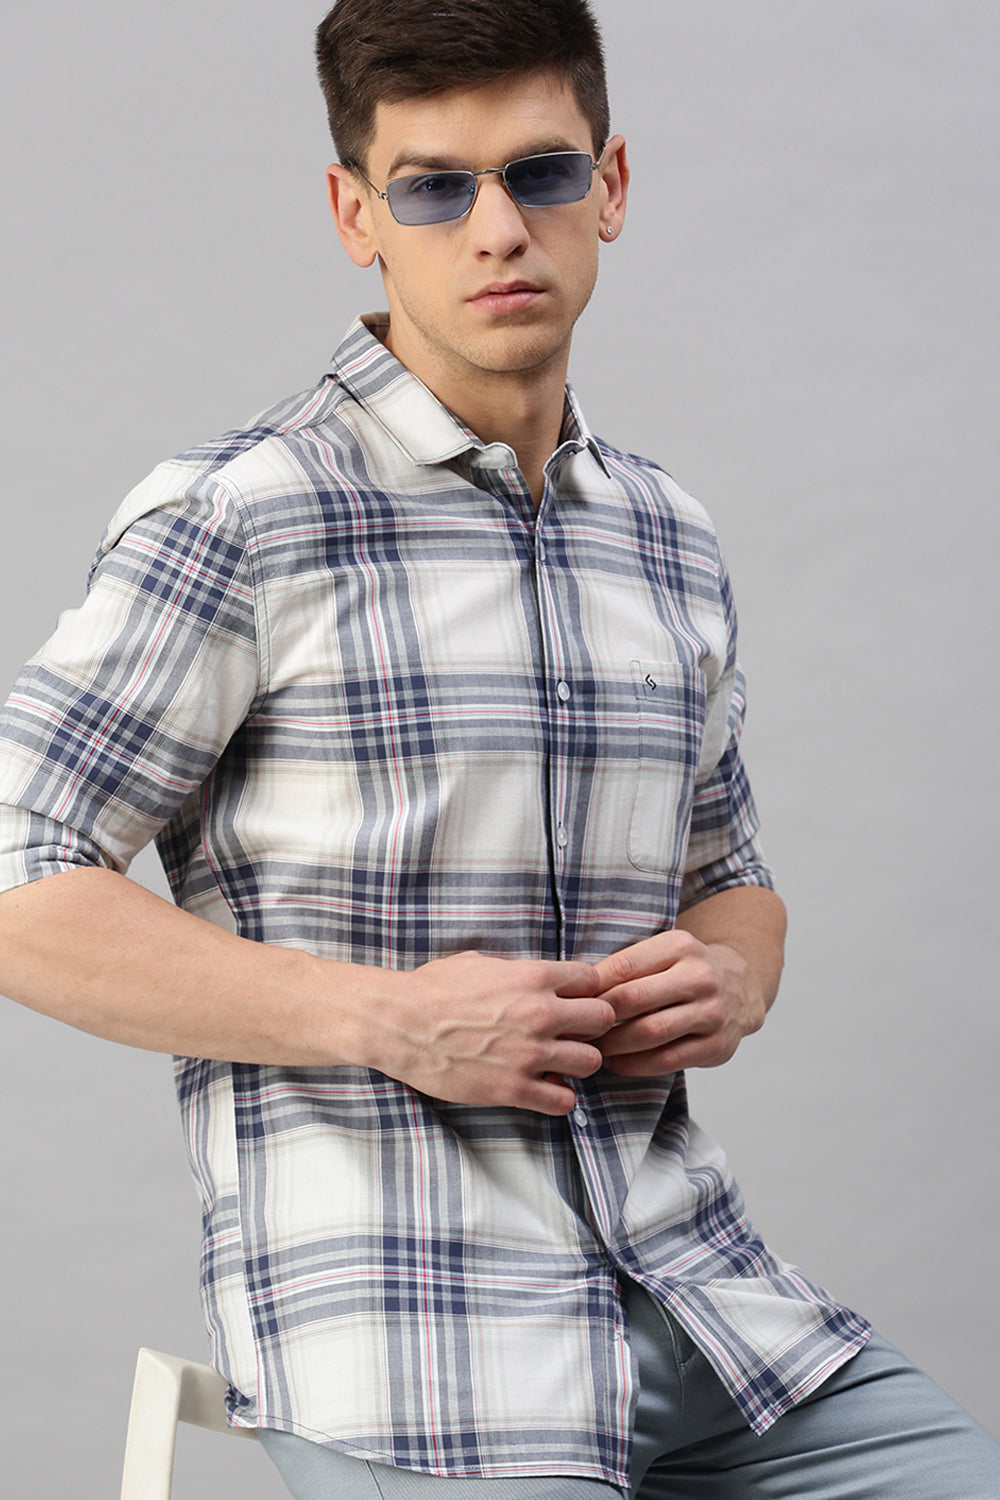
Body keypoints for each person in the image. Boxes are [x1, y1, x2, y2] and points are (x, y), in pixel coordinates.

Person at [0, 1, 996, 1495]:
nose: (497, 229)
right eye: (431, 188)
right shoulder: (244, 516)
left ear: (610, 183)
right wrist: (385, 1021)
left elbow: (734, 877)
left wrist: (733, 974)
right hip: (414, 1333)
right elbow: (16, 877)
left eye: (539, 172)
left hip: (697, 1291)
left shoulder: (664, 534)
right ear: (356, 214)